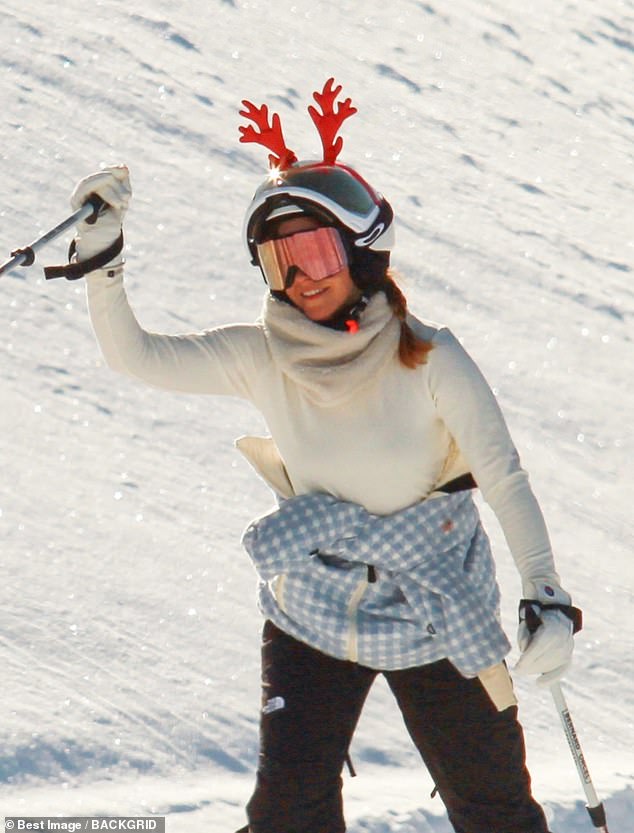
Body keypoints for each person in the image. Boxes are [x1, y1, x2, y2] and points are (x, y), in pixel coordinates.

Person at [69, 79, 581, 833]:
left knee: (497, 812)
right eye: (280, 262)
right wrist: (103, 260)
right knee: (286, 816)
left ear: (363, 250)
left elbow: (503, 475)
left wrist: (545, 592)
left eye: (314, 250)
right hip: (314, 605)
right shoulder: (263, 356)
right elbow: (135, 357)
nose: (302, 278)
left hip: (433, 606)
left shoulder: (431, 358)